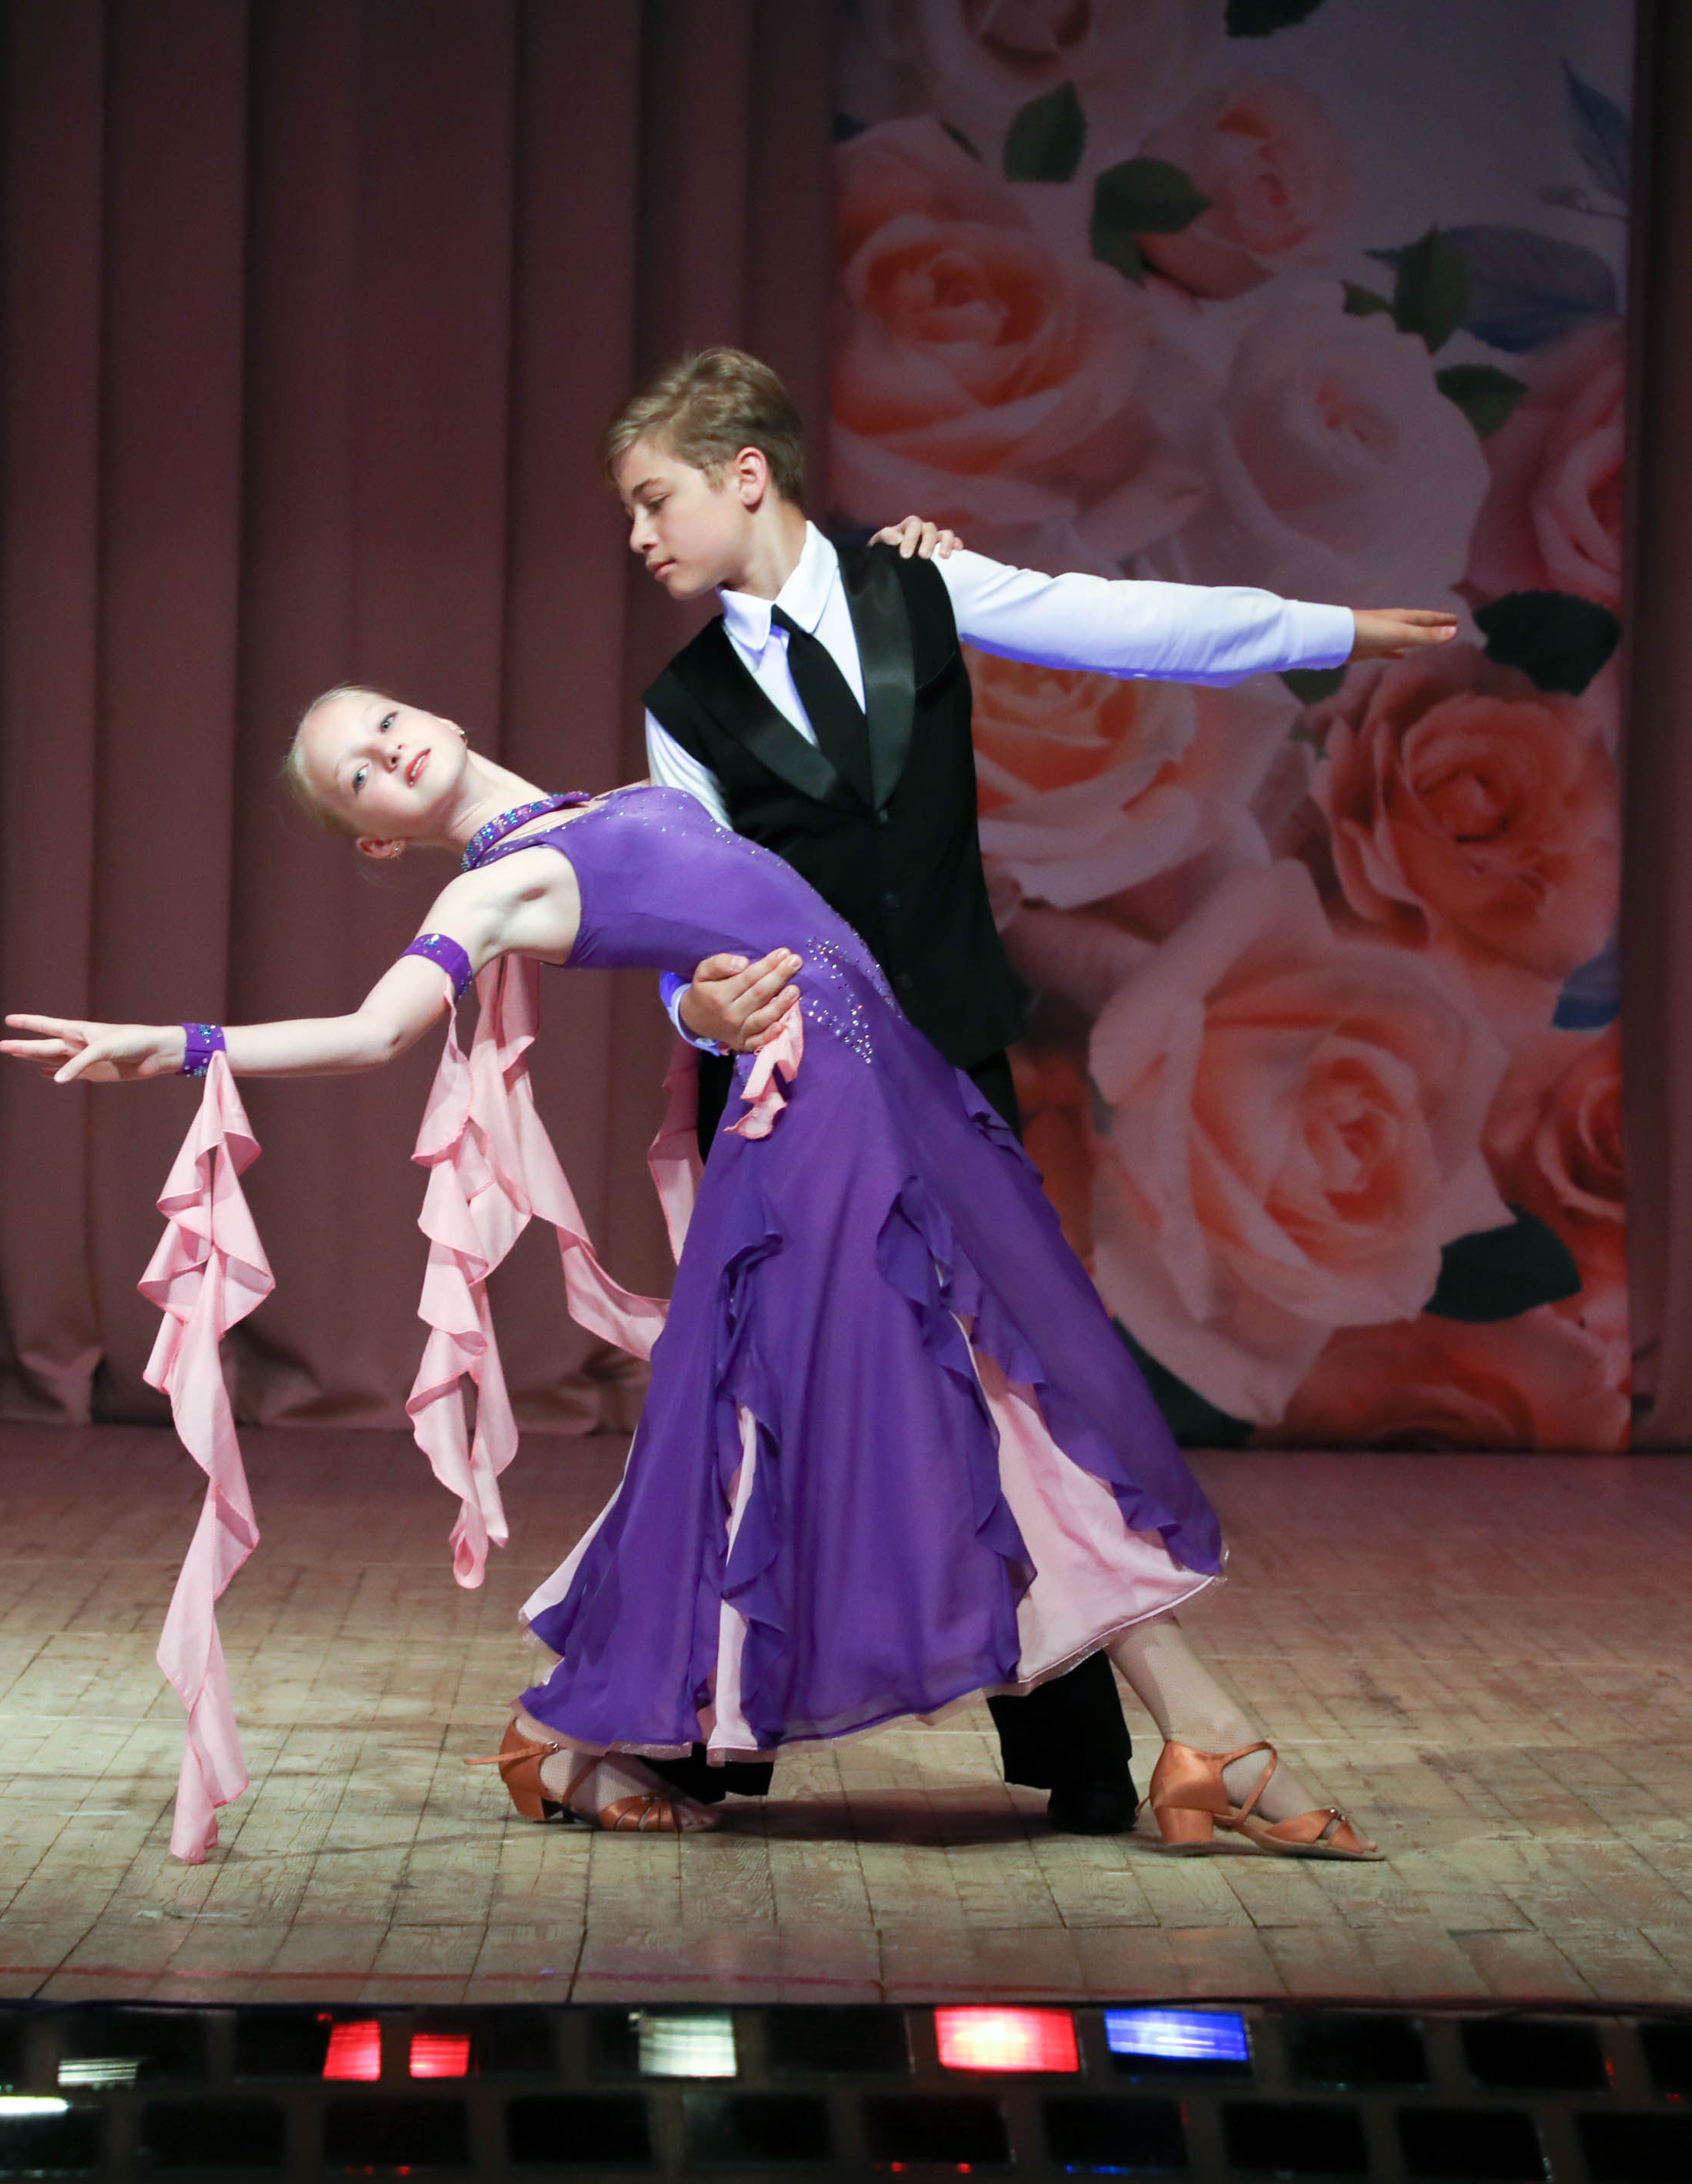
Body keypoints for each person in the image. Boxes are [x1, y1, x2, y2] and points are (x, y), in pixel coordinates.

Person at [0, 695, 1385, 1858]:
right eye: (357, 773)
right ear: (375, 834)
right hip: (813, 1133)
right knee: (945, 1408)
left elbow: (705, 945)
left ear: (437, 713)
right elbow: (376, 1031)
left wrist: (700, 1003)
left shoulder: (611, 802)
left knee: (962, 1407)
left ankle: (1192, 1736)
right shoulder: (490, 886)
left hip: (880, 1093)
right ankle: (1204, 1736)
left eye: (380, 721)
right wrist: (178, 1047)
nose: (385, 747)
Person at [615, 347, 1458, 1833]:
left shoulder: (917, 588)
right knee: (810, 1398)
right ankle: (696, 1737)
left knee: (1006, 1381)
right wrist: (696, 1005)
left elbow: (1124, 626)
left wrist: (1328, 631)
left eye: (652, 498)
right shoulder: (682, 703)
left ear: (746, 476)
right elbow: (682, 923)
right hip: (800, 1100)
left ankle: (1076, 1755)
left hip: (948, 1064)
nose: (638, 535)